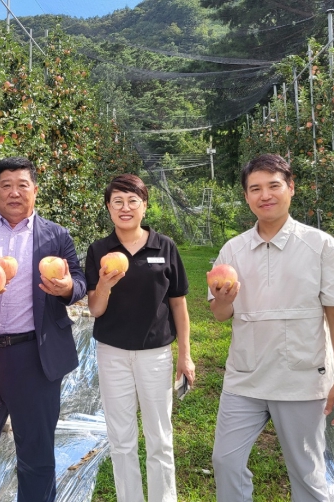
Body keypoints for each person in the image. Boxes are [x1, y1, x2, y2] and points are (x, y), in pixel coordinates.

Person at [208, 153, 334, 502]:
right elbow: (220, 313)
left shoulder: (320, 246)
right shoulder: (233, 250)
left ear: (291, 188)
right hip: (245, 378)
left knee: (306, 473)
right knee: (225, 461)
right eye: (255, 188)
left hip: (300, 380)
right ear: (246, 196)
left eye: (273, 186)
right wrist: (225, 299)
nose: (265, 195)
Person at [0, 156, 86, 502]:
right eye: (6, 185)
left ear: (35, 190)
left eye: (22, 185)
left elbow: (80, 282)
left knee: (36, 455)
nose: (14, 192)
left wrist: (67, 287)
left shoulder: (56, 235)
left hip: (35, 357)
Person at [85, 174, 195, 502]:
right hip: (113, 353)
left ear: (144, 206)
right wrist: (104, 285)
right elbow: (95, 309)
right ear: (108, 208)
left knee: (159, 437)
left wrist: (185, 354)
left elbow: (178, 303)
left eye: (133, 200)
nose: (125, 208)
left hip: (155, 353)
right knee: (121, 439)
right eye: (117, 201)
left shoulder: (164, 247)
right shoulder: (99, 250)